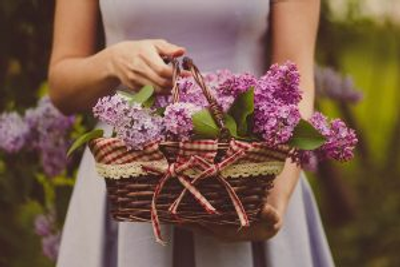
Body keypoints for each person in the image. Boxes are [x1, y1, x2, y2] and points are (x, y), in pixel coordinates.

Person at [49, 0, 334, 266]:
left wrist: (274, 203)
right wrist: (111, 63)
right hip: (128, 178)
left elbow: (296, 82)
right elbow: (62, 87)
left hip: (251, 176)